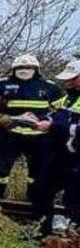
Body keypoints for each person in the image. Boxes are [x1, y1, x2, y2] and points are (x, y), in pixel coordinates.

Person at [0, 54, 67, 235]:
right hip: (9, 135)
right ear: (13, 69)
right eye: (20, 69)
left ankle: (35, 207)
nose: (24, 71)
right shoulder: (1, 84)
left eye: (29, 68)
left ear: (37, 69)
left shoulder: (49, 87)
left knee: (37, 174)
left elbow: (62, 110)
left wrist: (48, 121)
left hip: (38, 138)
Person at [48, 60, 80, 233]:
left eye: (71, 79)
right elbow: (55, 115)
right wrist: (45, 120)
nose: (66, 82)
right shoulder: (68, 99)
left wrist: (54, 127)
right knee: (47, 189)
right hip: (66, 156)